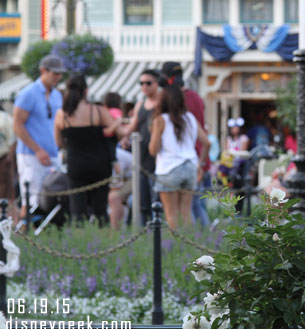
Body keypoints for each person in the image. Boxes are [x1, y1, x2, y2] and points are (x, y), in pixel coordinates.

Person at [53, 75, 122, 225]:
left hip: (76, 165)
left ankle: (79, 244)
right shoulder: (97, 111)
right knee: (100, 210)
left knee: (77, 211)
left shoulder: (61, 114)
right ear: (86, 91)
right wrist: (118, 123)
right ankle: (103, 243)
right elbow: (118, 133)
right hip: (100, 165)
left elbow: (58, 142)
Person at [148, 85, 210, 229]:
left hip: (169, 168)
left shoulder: (161, 120)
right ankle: (189, 245)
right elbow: (207, 143)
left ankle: (175, 245)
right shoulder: (189, 118)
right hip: (190, 167)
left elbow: (153, 150)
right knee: (186, 213)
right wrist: (200, 164)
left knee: (171, 214)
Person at [13, 55, 65, 219]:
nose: (58, 77)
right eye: (54, 73)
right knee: (31, 199)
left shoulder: (57, 95)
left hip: (53, 154)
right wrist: (37, 150)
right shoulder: (29, 93)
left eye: (60, 73)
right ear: (43, 70)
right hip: (31, 155)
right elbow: (17, 124)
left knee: (50, 198)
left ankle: (42, 235)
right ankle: (24, 235)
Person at [121, 69, 161, 225]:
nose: (144, 86)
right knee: (142, 200)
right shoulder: (140, 104)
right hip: (142, 157)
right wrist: (124, 136)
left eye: (148, 83)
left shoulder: (162, 103)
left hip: (157, 158)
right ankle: (145, 233)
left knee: (156, 201)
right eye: (141, 83)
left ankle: (158, 234)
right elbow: (133, 125)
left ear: (156, 84)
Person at [0, 108, 15, 200]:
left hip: (3, 157)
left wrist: (10, 156)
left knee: (5, 187)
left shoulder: (4, 117)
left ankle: (4, 212)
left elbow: (12, 139)